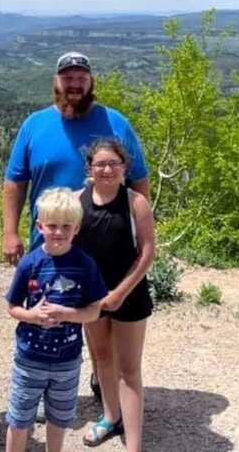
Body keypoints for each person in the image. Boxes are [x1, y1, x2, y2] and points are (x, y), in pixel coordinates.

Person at [2, 51, 150, 263]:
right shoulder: (34, 125)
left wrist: (141, 231)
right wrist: (10, 232)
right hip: (49, 243)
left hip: (108, 245)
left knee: (109, 297)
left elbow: (139, 180)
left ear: (92, 82)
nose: (75, 84)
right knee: (48, 297)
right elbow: (15, 183)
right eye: (67, 78)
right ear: (56, 82)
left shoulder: (116, 123)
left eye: (82, 79)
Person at [4, 188, 109, 452]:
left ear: (77, 228)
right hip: (29, 359)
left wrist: (68, 314)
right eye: (52, 225)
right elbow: (13, 306)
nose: (59, 232)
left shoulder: (85, 265)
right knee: (19, 420)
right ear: (40, 226)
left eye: (66, 226)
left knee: (59, 420)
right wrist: (33, 316)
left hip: (68, 361)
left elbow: (95, 310)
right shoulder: (30, 263)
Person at [74, 138, 155, 450]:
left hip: (130, 293)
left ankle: (133, 443)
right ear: (90, 168)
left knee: (130, 368)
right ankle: (110, 416)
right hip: (91, 296)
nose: (107, 169)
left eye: (113, 164)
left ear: (124, 168)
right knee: (103, 358)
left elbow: (147, 252)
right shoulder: (76, 200)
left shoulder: (136, 203)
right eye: (100, 164)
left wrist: (120, 292)